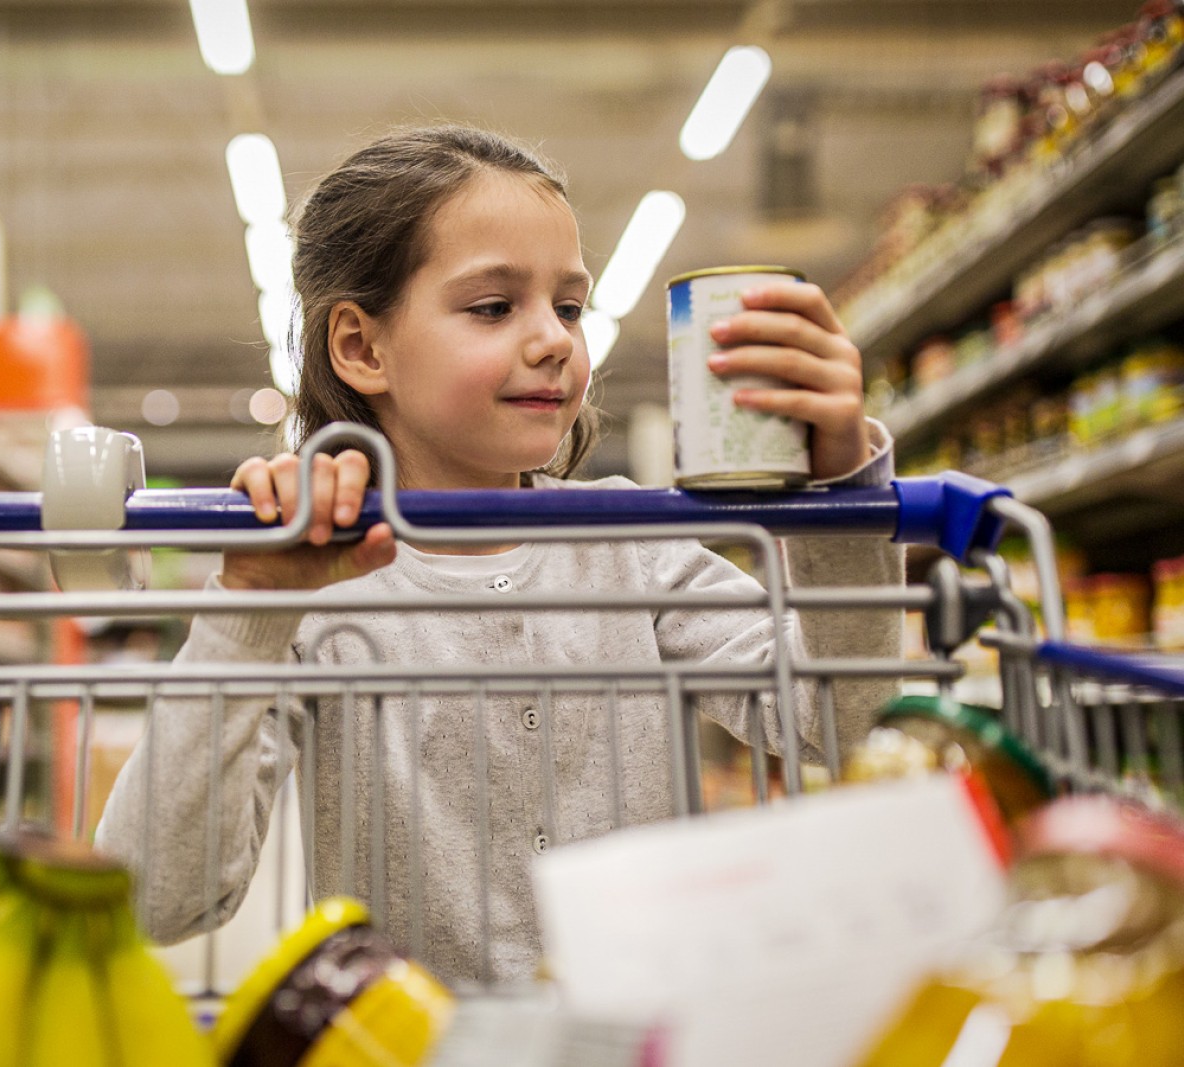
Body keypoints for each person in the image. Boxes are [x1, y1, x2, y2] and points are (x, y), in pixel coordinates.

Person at [96, 125, 903, 984]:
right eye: (493, 306)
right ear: (362, 347)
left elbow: (843, 723)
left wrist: (842, 494)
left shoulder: (633, 545)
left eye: (568, 306)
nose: (554, 339)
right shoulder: (316, 590)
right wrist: (249, 613)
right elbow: (153, 896)